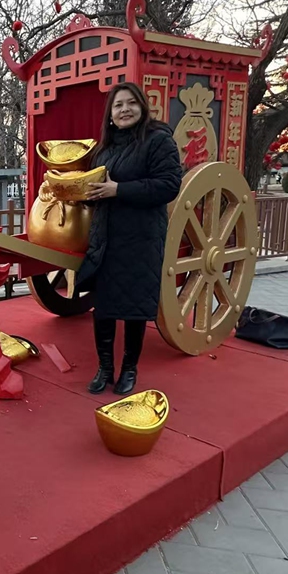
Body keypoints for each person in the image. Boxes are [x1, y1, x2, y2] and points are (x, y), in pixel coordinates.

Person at [77, 82, 184, 395]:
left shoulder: (158, 140)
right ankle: (105, 368)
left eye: (130, 103)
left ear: (142, 107)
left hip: (141, 236)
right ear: (110, 115)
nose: (124, 110)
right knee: (105, 306)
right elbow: (97, 189)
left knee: (134, 307)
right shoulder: (103, 150)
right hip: (106, 236)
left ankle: (129, 369)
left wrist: (118, 190)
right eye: (118, 105)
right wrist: (82, 194)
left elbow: (168, 185)